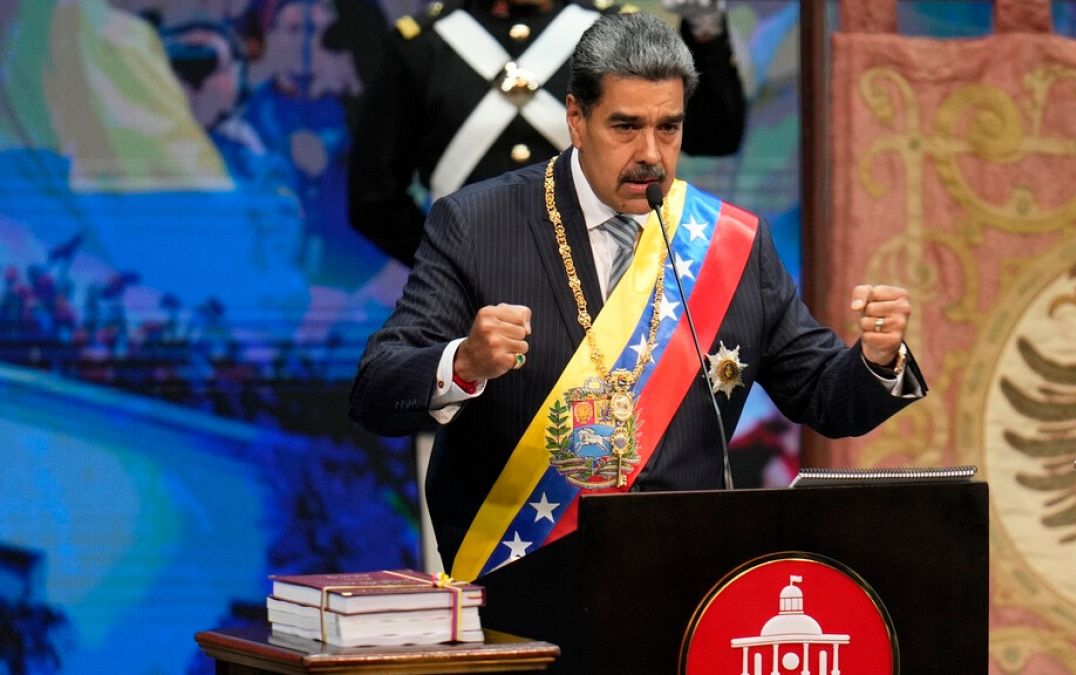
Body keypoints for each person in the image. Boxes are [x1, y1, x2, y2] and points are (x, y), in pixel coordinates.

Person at [349, 12, 926, 580]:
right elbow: (377, 389)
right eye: (625, 127)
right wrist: (465, 363)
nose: (651, 153)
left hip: (687, 580)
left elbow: (824, 397)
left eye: (668, 128)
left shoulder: (733, 244)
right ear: (576, 119)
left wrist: (878, 360)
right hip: (524, 583)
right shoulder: (476, 224)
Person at [347, 0, 747, 267]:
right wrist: (450, 265)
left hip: (606, 287)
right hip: (472, 307)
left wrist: (705, 28)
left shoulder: (615, 31)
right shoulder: (422, 45)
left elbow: (715, 136)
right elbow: (373, 198)